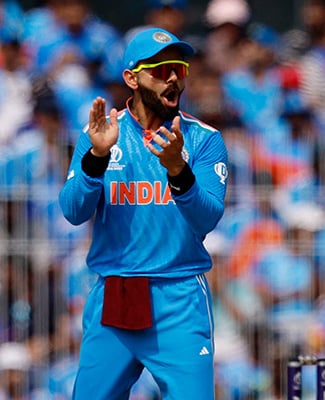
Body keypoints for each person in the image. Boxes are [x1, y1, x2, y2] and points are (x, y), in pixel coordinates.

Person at [58, 27, 229, 399]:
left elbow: (207, 219)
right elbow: (72, 211)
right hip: (115, 294)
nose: (172, 78)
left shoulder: (203, 139)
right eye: (160, 69)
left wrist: (177, 170)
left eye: (178, 69)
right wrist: (96, 158)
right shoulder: (100, 134)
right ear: (132, 78)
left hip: (178, 296)